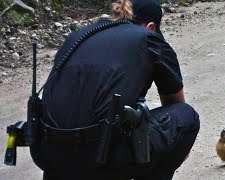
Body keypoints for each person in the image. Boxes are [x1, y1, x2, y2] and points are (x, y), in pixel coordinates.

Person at [30, 0, 200, 179]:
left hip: (50, 155)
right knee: (186, 117)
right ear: (151, 26)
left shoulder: (76, 37)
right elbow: (175, 102)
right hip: (103, 158)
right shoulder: (148, 38)